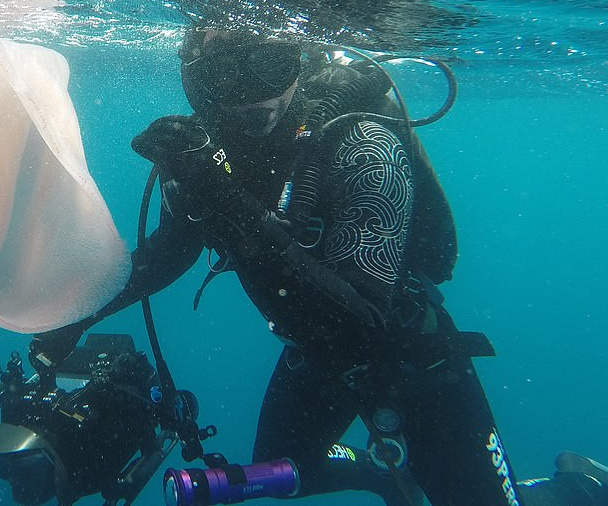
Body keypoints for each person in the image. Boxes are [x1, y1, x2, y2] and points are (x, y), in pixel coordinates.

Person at [30, 27, 608, 506]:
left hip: (412, 362)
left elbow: (361, 321)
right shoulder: (211, 155)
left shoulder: (362, 145)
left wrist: (219, 191)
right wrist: (74, 318)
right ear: (195, 82)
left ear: (299, 60)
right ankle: (377, 471)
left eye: (270, 64)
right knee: (280, 469)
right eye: (224, 75)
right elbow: (172, 251)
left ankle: (569, 489)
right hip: (313, 358)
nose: (252, 95)